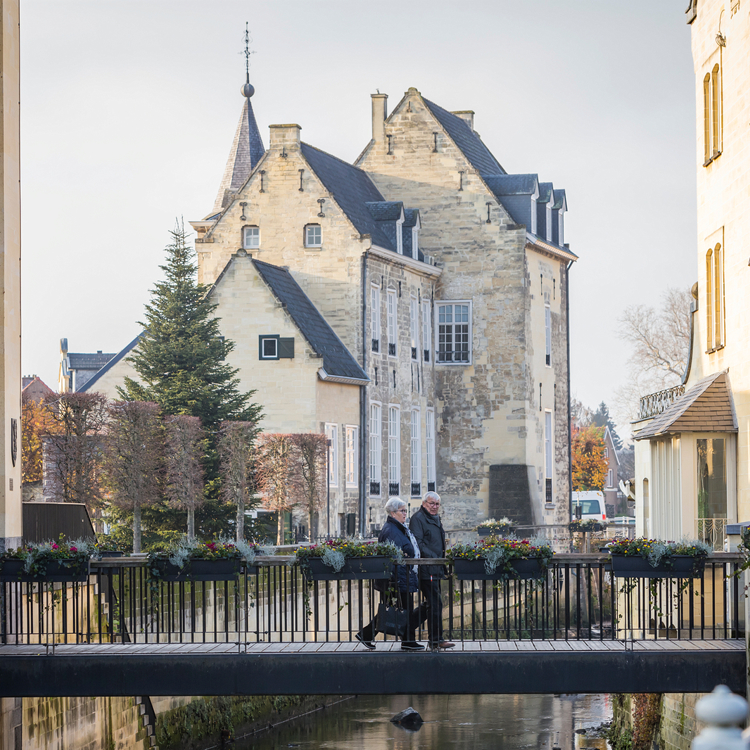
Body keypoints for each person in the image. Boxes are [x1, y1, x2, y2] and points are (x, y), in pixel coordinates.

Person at [356, 497, 428, 652]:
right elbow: (395, 557)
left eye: (405, 511)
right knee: (397, 610)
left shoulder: (397, 528)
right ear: (393, 513)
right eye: (402, 511)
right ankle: (407, 641)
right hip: (397, 580)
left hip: (399, 579)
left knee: (393, 610)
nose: (405, 514)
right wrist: (398, 581)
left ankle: (368, 634)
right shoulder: (392, 531)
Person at [409, 491, 455, 650]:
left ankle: (405, 629)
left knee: (431, 603)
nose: (434, 507)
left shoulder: (434, 518)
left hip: (435, 566)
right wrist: (434, 557)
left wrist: (441, 561)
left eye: (437, 504)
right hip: (425, 567)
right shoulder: (418, 519)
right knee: (435, 603)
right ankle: (436, 640)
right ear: (424, 503)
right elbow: (418, 544)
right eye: (431, 503)